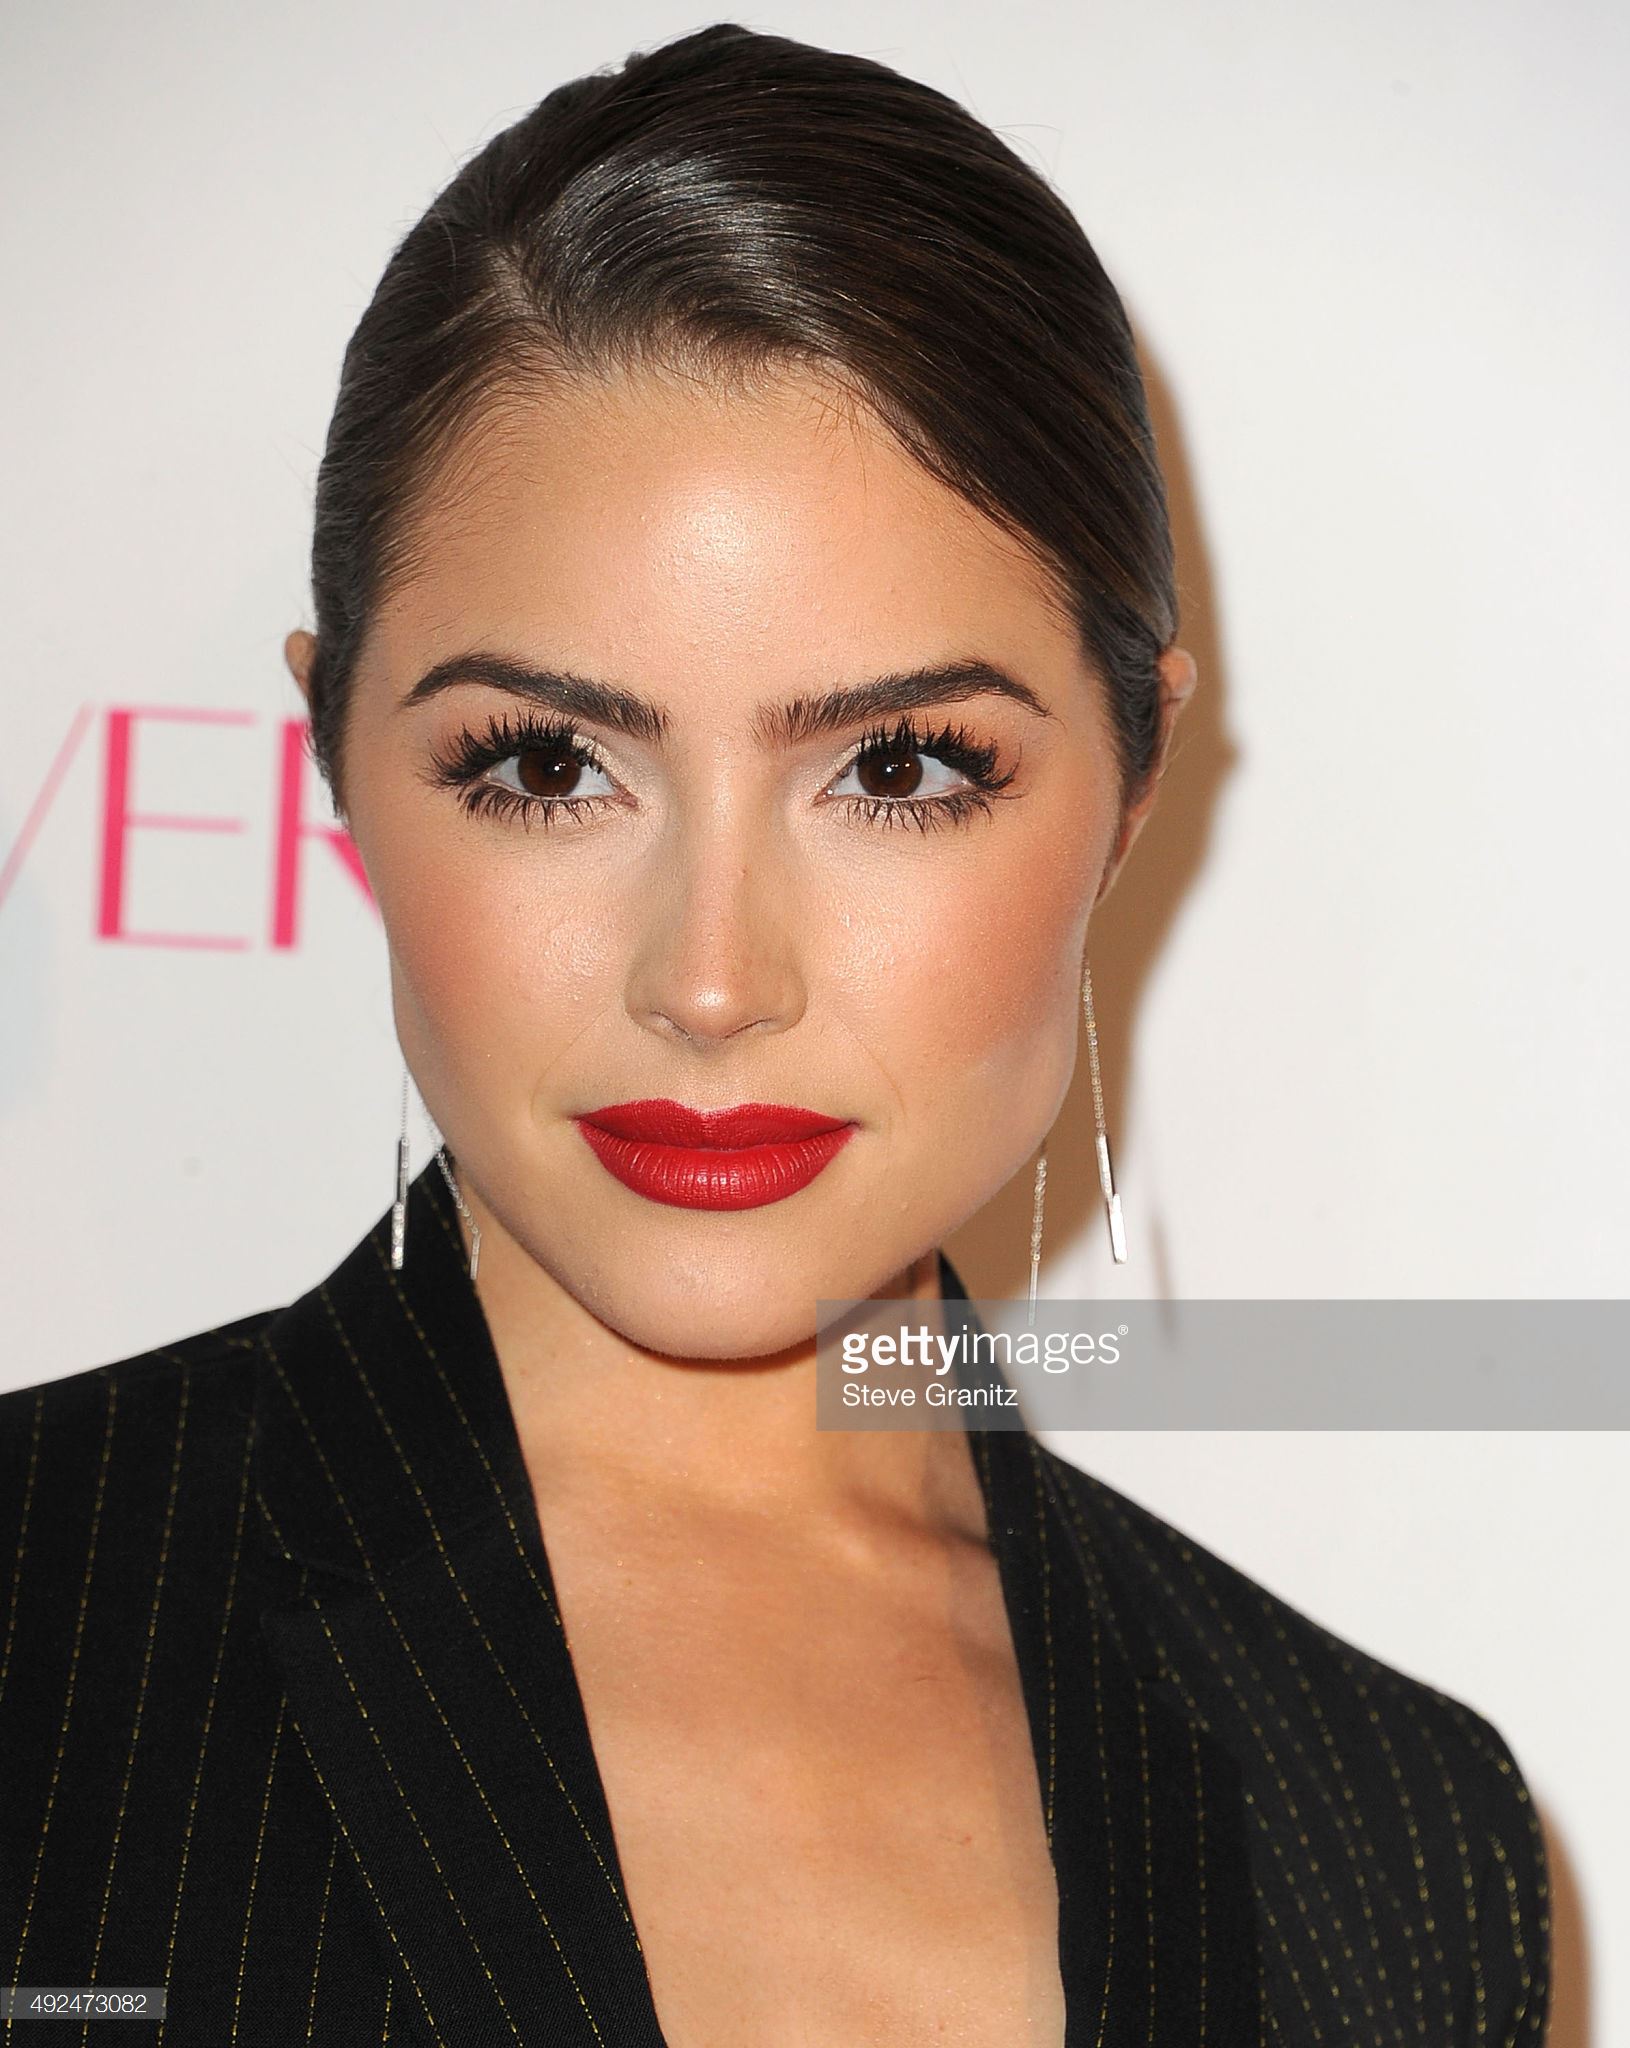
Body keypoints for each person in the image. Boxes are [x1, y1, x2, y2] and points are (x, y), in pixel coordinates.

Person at [0, 23, 1549, 2045]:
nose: (713, 978)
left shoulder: (1401, 1844)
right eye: (546, 764)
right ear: (336, 759)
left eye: (899, 767)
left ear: (1134, 776)